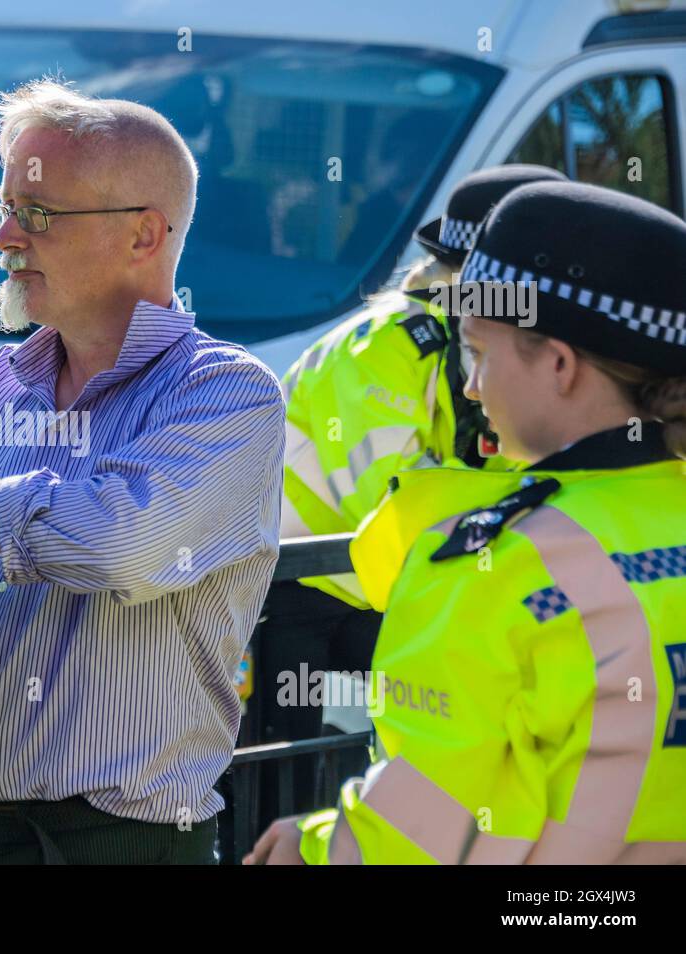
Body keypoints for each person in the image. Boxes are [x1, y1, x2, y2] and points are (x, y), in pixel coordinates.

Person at [0, 79, 286, 864]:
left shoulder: (228, 393)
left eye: (37, 214)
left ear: (145, 236)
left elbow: (111, 545)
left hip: (119, 846)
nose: (5, 237)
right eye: (2, 209)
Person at [252, 180, 686, 864]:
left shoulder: (492, 566)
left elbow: (422, 832)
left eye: (480, 353)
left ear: (561, 365)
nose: (473, 389)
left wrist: (310, 850)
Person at [255, 165, 567, 827]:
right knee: (278, 781)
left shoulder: (478, 343)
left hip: (376, 585)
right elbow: (396, 502)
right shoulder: (385, 348)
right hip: (297, 589)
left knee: (405, 747)